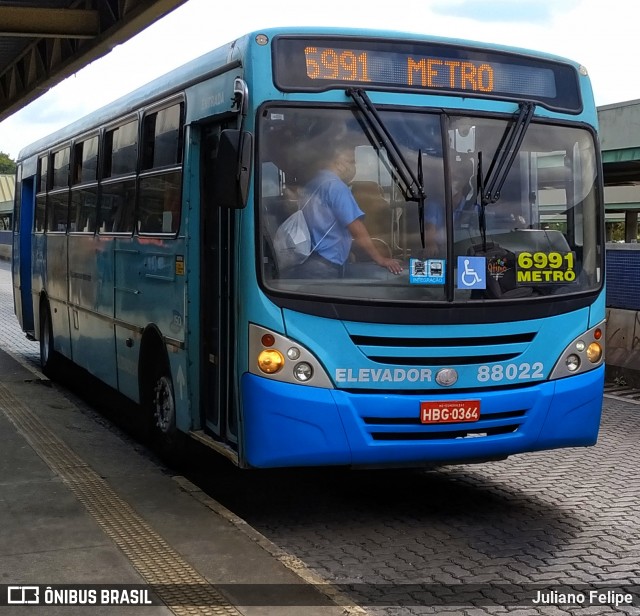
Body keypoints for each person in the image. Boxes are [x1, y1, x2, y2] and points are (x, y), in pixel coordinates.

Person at [290, 142, 403, 278]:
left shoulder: (313, 184)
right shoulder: (336, 187)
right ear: (339, 162)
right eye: (351, 161)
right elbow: (356, 228)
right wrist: (380, 259)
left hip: (308, 261)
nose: (354, 166)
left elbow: (322, 226)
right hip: (325, 266)